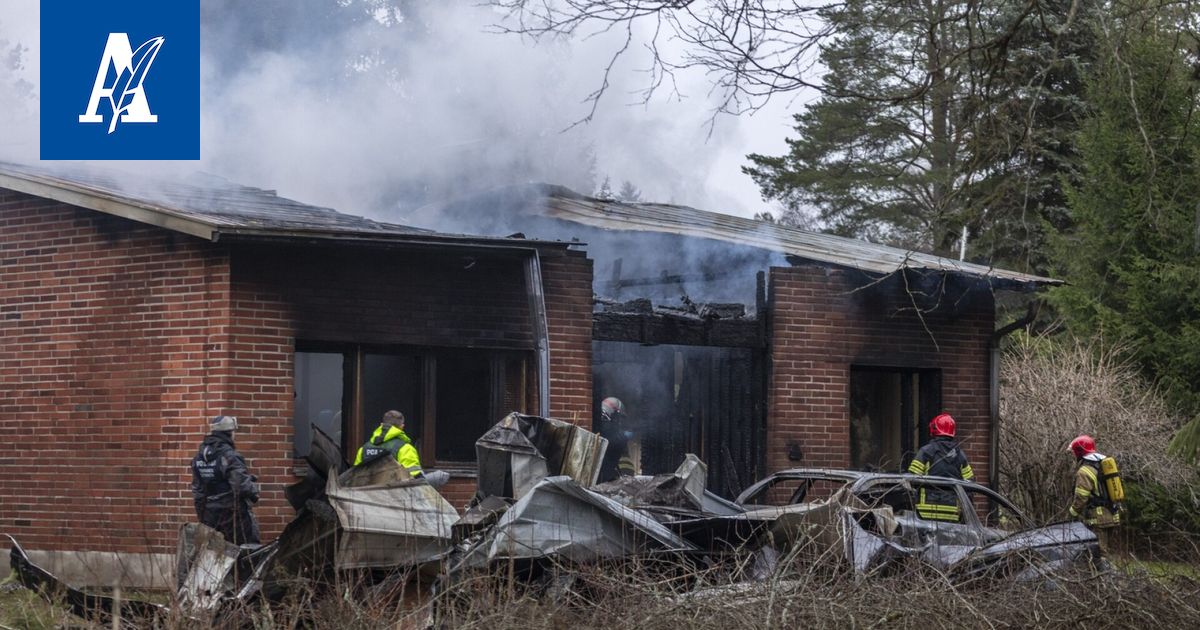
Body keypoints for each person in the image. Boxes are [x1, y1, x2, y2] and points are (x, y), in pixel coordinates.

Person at [190, 415, 261, 545]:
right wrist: (254, 492)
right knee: (247, 548)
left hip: (209, 513)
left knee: (214, 552)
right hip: (232, 513)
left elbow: (197, 489)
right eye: (234, 432)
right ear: (229, 433)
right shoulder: (229, 455)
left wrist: (202, 515)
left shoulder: (199, 457)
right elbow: (241, 485)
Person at [907, 413, 974, 522]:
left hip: (926, 512)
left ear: (934, 429)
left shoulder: (926, 452)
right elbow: (970, 483)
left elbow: (912, 479)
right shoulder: (960, 455)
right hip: (952, 514)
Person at [1068, 434, 1121, 555]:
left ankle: (1105, 574)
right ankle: (1114, 573)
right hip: (1112, 515)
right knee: (1109, 552)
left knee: (1099, 554)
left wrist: (1072, 513)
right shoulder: (1105, 463)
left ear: (1079, 452)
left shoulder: (1084, 471)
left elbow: (1081, 497)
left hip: (1098, 519)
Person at [354, 410, 423, 477]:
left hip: (366, 488)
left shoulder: (363, 449)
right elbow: (415, 478)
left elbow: (354, 476)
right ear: (402, 427)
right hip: (393, 488)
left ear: (381, 425)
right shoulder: (405, 449)